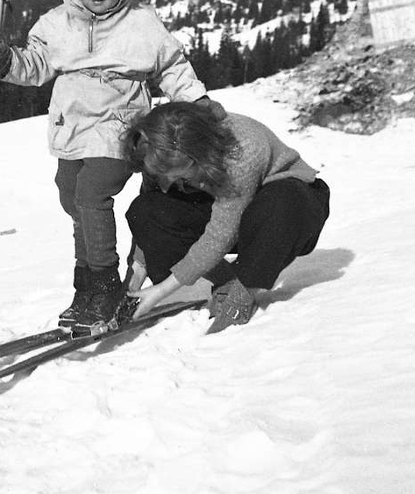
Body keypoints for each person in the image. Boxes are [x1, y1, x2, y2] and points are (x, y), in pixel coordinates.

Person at [0, 0, 220, 336]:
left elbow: (172, 67)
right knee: (73, 200)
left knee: (92, 194)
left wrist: (199, 103)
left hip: (119, 125)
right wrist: (5, 60)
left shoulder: (142, 24)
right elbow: (34, 64)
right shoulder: (56, 23)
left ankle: (107, 287)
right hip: (71, 127)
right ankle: (87, 288)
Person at [121, 101, 330, 333]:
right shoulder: (157, 149)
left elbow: (220, 234)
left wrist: (161, 290)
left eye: (177, 175)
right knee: (146, 209)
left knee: (282, 200)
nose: (167, 182)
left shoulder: (242, 149)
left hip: (288, 215)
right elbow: (152, 213)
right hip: (226, 212)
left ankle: (244, 291)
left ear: (198, 157)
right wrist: (137, 272)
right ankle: (227, 280)